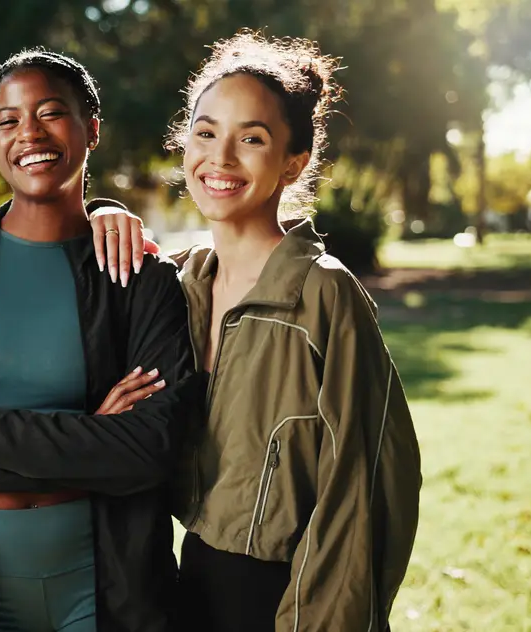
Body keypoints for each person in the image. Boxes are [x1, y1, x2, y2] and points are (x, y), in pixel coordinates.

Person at [90, 31, 422, 632]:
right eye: (206, 133)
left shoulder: (325, 294)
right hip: (185, 581)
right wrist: (100, 211)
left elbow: (366, 487)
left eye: (252, 139)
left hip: (289, 596)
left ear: (294, 162)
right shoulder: (179, 284)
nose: (220, 158)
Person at [0, 48, 205, 632]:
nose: (30, 133)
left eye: (50, 113)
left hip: (110, 599)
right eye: (9, 120)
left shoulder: (140, 277)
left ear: (91, 129)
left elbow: (151, 450)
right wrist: (93, 441)